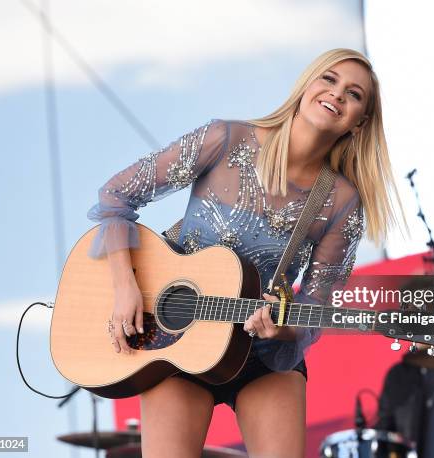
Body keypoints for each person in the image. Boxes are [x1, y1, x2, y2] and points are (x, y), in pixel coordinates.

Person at [87, 48, 402, 458]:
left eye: (354, 93)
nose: (337, 94)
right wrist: (126, 286)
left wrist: (283, 329)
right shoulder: (223, 139)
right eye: (328, 79)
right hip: (174, 345)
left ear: (360, 122)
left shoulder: (341, 201)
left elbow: (316, 301)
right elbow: (117, 195)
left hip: (263, 361)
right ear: (307, 85)